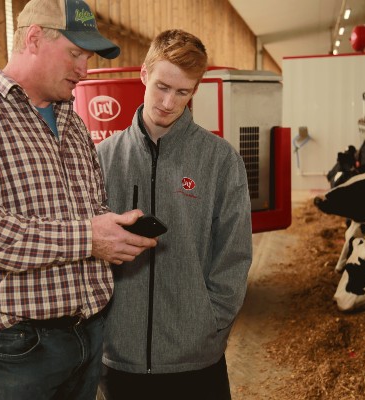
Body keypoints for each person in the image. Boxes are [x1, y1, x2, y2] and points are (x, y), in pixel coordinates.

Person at [0, 0, 157, 399]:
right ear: (33, 39)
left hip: (88, 332)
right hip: (16, 346)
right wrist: (88, 238)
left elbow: (85, 211)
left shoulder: (72, 122)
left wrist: (115, 230)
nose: (85, 69)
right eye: (75, 53)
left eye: (88, 57)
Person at [96, 29, 253, 400]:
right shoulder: (103, 158)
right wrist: (104, 327)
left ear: (195, 90)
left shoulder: (220, 160)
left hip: (196, 360)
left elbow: (234, 254)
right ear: (144, 76)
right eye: (162, 87)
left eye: (183, 92)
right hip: (120, 359)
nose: (168, 102)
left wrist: (209, 325)